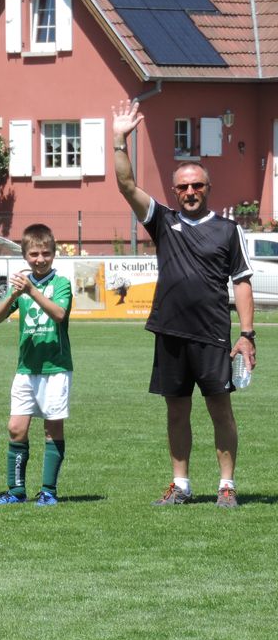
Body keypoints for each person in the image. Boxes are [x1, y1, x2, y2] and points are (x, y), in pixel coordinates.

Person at [112, 101, 256, 508]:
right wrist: (119, 140)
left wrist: (247, 334)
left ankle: (226, 486)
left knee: (220, 411)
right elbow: (126, 185)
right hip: (170, 332)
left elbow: (242, 282)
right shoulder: (163, 221)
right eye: (183, 187)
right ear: (174, 191)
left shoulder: (228, 230)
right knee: (176, 412)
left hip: (212, 335)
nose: (190, 192)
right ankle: (181, 485)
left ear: (208, 188)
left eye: (197, 186)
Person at [0, 224, 71, 506]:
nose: (40, 259)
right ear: (25, 255)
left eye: (45, 253)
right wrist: (14, 295)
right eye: (34, 254)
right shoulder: (21, 286)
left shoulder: (61, 283)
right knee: (16, 428)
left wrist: (32, 291)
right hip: (25, 369)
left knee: (52, 430)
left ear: (54, 254)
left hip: (55, 368)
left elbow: (59, 314)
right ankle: (16, 491)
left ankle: (48, 491)